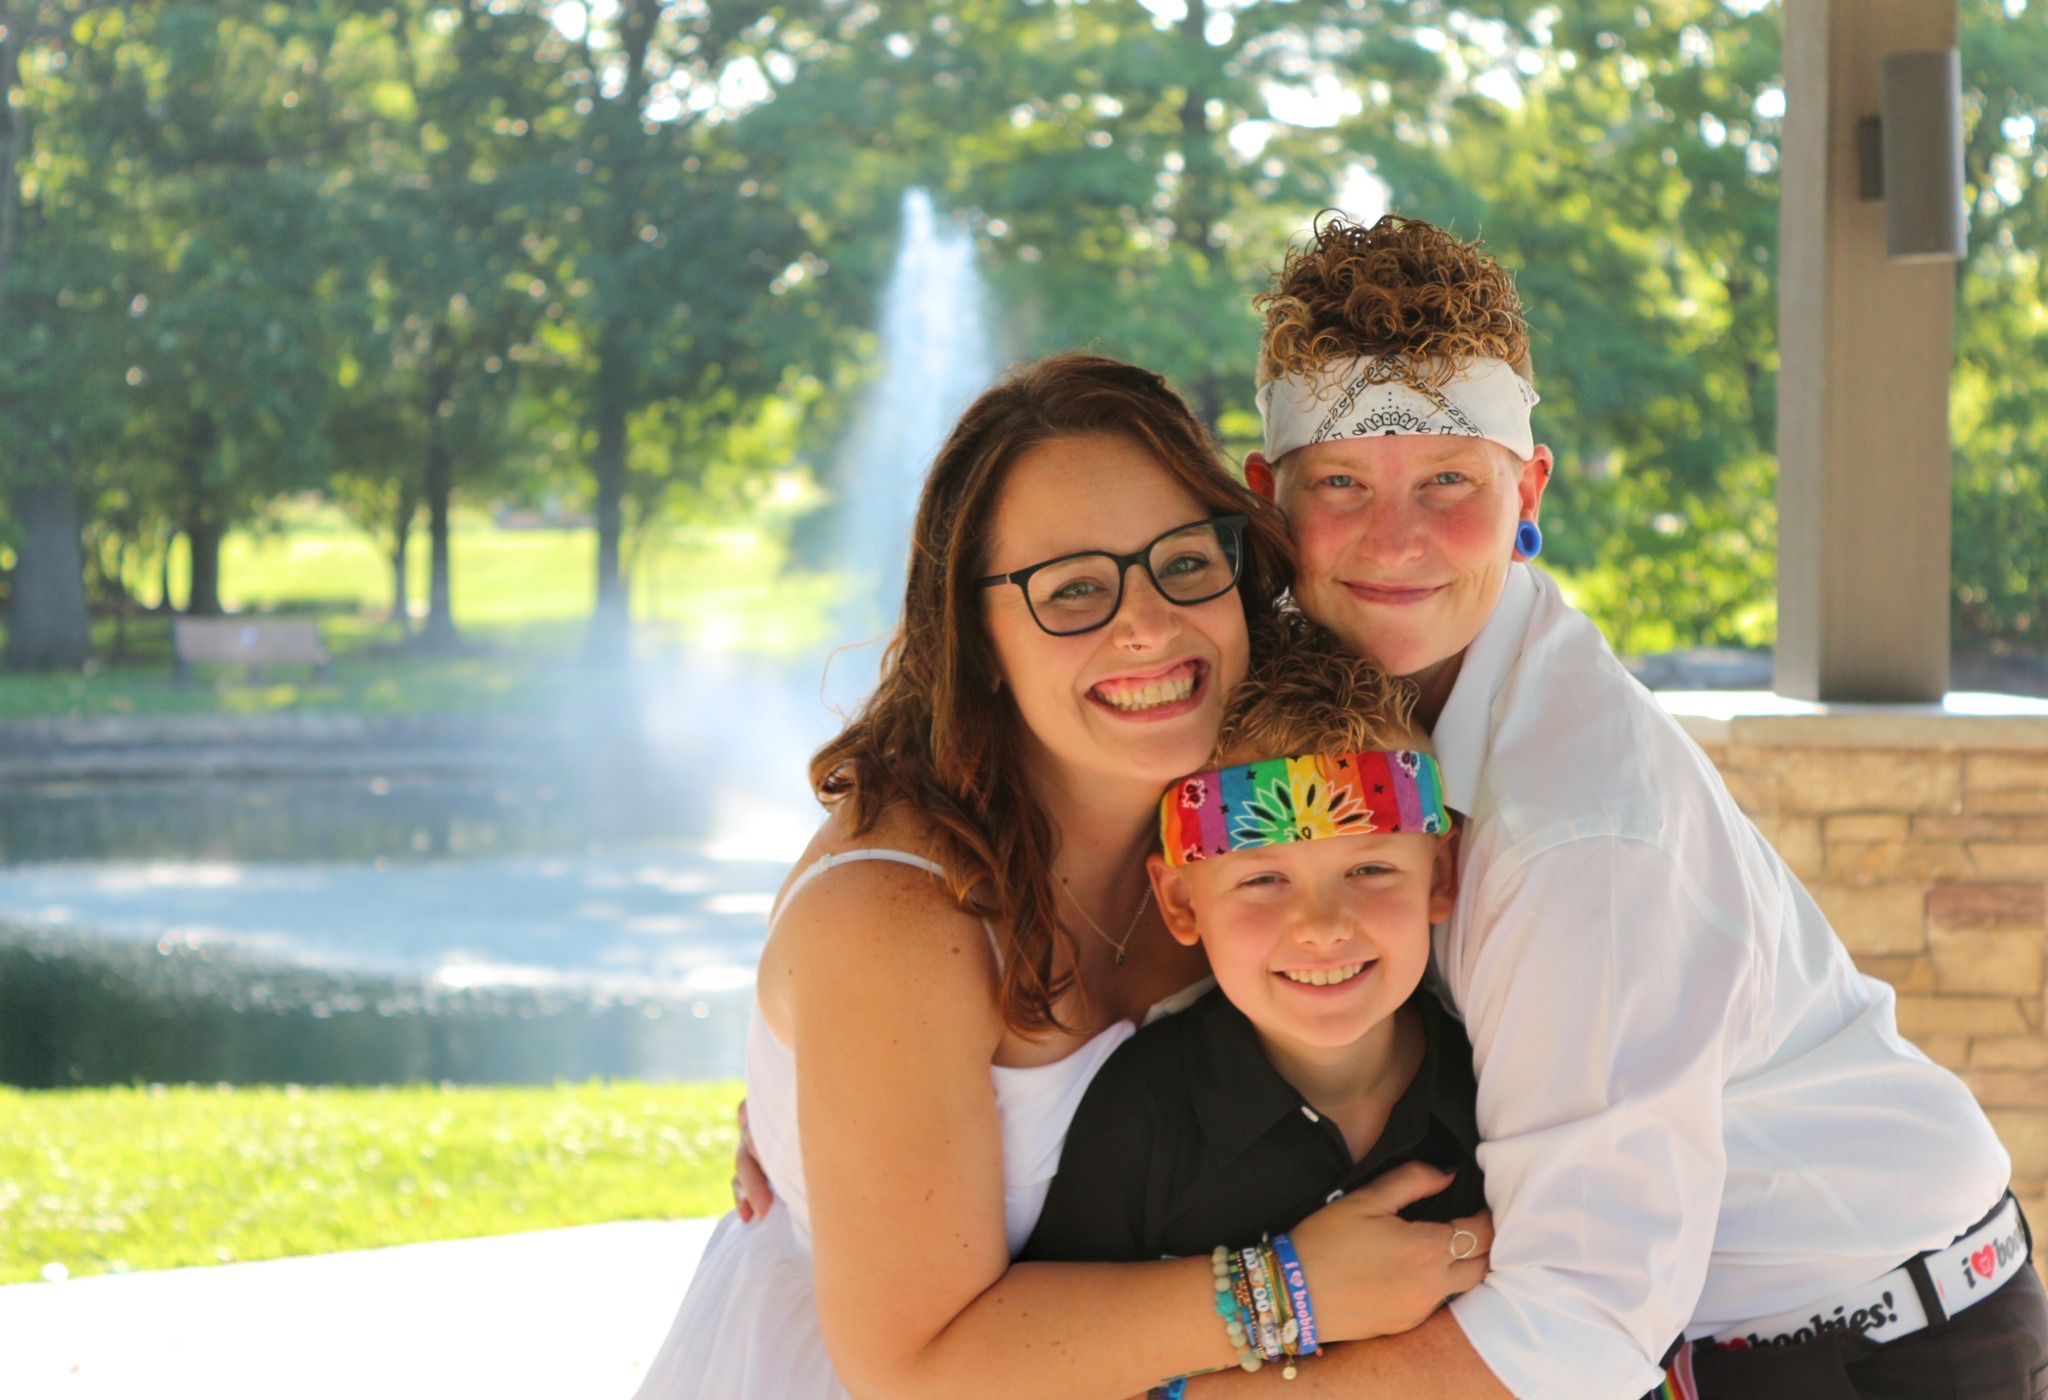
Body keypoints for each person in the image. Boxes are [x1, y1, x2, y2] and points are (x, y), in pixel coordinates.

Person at [1209, 213, 2048, 1399]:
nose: (1394, 540)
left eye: (1448, 481)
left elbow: (1571, 1327)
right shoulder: (1317, 693)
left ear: (1526, 488)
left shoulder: (1575, 833)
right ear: (1268, 498)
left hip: (1874, 1348)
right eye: (1341, 482)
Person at [639, 352, 1494, 1400]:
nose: (1148, 625)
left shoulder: (1261, 798)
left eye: (1184, 563)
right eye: (1073, 589)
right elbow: (907, 1365)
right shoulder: (897, 916)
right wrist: (1296, 1290)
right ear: (976, 636)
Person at [1025, 618, 1487, 1397]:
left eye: (1370, 869)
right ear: (1182, 901)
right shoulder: (1140, 1113)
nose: (1323, 926)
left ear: (1440, 875)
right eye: (1263, 880)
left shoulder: (1498, 1090)